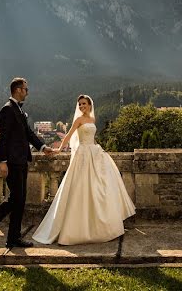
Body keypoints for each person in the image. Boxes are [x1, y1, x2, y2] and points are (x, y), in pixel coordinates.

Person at [32, 94, 135, 245]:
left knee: (99, 187)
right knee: (81, 188)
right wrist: (60, 149)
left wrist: (98, 149)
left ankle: (101, 227)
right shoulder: (78, 120)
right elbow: (69, 135)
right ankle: (76, 229)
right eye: (79, 104)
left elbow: (92, 137)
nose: (81, 106)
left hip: (94, 154)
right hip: (83, 155)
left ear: (90, 105)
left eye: (84, 104)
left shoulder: (92, 120)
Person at [0, 77, 55, 249]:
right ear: (18, 90)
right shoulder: (7, 110)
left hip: (21, 161)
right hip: (12, 162)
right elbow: (3, 138)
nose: (27, 92)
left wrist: (43, 147)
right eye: (26, 89)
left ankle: (13, 238)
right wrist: (2, 162)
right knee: (15, 199)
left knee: (19, 200)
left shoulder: (18, 110)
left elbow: (28, 133)